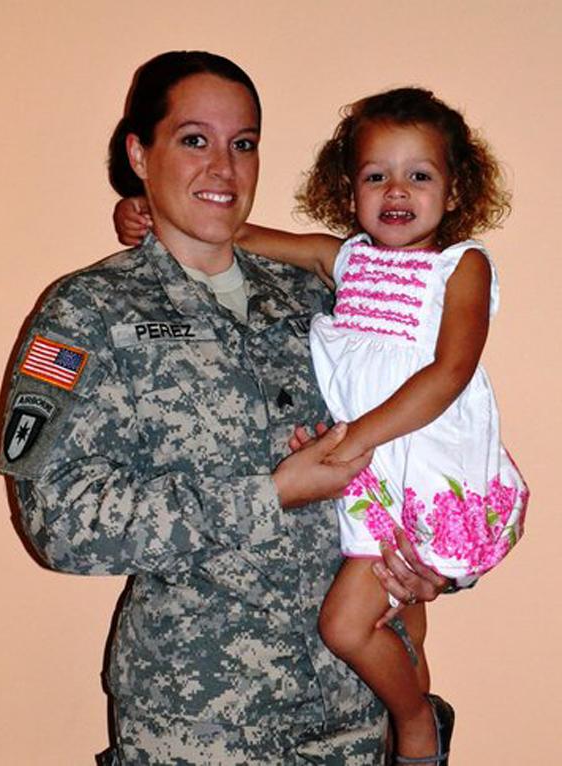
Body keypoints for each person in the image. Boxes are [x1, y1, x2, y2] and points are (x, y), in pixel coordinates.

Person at [0, 54, 449, 766]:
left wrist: (438, 565)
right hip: (196, 732)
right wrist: (271, 493)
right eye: (194, 139)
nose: (224, 168)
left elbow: (436, 436)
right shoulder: (87, 313)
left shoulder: (323, 299)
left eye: (243, 143)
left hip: (354, 720)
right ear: (140, 153)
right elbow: (60, 523)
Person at [115, 86, 529, 766]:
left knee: (345, 626)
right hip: (369, 481)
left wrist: (357, 437)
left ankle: (417, 723)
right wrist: (150, 212)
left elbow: (451, 371)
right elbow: (239, 232)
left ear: (455, 192)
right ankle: (414, 713)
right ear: (350, 189)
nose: (396, 190)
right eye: (376, 175)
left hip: (422, 474)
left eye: (419, 175)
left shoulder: (462, 267)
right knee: (395, 624)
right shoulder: (345, 265)